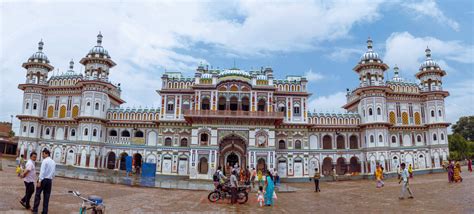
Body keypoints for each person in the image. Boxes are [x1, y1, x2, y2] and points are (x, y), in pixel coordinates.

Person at [32, 148, 56, 214]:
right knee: (47, 196)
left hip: (43, 180)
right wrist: (50, 179)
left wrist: (39, 181)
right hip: (49, 181)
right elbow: (54, 173)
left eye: (43, 154)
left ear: (47, 154)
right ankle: (45, 211)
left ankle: (35, 210)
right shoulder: (53, 162)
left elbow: (42, 172)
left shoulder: (45, 161)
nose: (42, 155)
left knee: (37, 195)